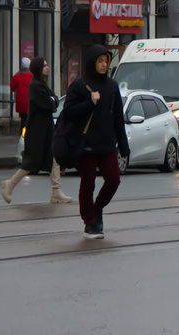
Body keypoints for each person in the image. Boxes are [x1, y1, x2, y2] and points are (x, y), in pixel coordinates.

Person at [63, 45, 129, 239]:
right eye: (100, 61)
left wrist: (124, 146)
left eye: (106, 61)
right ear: (92, 62)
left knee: (113, 179)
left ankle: (97, 207)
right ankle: (90, 222)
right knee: (88, 182)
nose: (103, 64)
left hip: (107, 143)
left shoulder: (112, 86)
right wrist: (89, 103)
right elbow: (68, 112)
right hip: (86, 145)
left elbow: (118, 117)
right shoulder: (79, 85)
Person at [0, 57, 73, 205]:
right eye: (44, 66)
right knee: (31, 162)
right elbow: (50, 103)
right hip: (37, 131)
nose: (47, 68)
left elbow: (55, 100)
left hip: (45, 129)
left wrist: (52, 100)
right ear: (37, 68)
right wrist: (52, 100)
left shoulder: (42, 85)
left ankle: (56, 192)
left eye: (47, 65)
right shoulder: (35, 86)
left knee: (54, 159)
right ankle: (10, 184)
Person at [9, 57, 32, 133]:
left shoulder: (16, 76)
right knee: (30, 119)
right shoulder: (33, 76)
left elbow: (12, 87)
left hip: (21, 101)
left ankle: (23, 133)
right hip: (31, 100)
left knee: (23, 119)